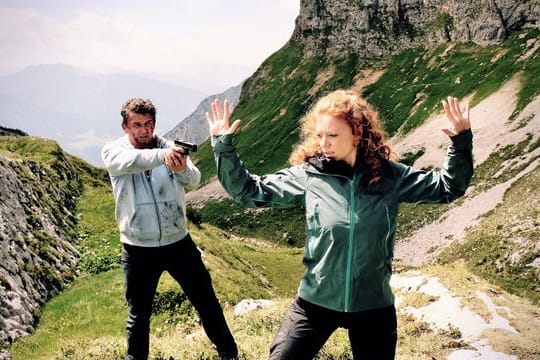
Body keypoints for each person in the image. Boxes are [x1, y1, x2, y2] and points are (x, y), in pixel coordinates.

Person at [205, 90, 473, 360]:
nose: (324, 143)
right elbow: (250, 191)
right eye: (320, 135)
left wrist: (460, 142)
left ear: (358, 133)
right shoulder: (310, 175)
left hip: (372, 305)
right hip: (315, 302)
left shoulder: (390, 176)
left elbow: (448, 187)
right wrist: (222, 145)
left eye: (333, 135)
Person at [102, 98, 238, 360]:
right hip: (138, 247)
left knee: (207, 303)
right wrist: (164, 156)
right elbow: (131, 162)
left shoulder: (169, 147)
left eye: (149, 124)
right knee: (139, 315)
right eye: (137, 125)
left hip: (179, 243)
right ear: (125, 127)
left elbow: (194, 179)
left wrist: (181, 169)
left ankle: (230, 355)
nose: (144, 130)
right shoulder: (114, 151)